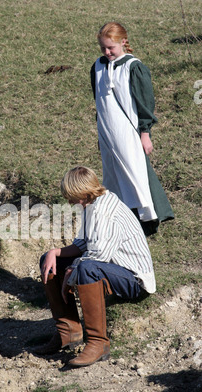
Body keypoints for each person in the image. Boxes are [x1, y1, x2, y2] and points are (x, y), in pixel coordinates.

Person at [36, 166, 156, 367]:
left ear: (84, 192)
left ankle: (98, 343)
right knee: (50, 262)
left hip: (134, 280)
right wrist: (54, 253)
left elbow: (99, 256)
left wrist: (71, 272)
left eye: (72, 196)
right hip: (110, 267)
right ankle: (68, 332)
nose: (69, 201)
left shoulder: (104, 211)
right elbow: (83, 244)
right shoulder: (91, 205)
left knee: (85, 268)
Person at [91, 22, 174, 236]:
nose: (107, 52)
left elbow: (145, 102)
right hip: (107, 131)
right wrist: (100, 135)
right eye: (103, 48)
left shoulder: (133, 67)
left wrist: (145, 133)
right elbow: (99, 102)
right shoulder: (97, 67)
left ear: (123, 42)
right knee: (112, 175)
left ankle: (148, 219)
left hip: (128, 131)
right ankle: (122, 218)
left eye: (112, 48)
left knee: (135, 173)